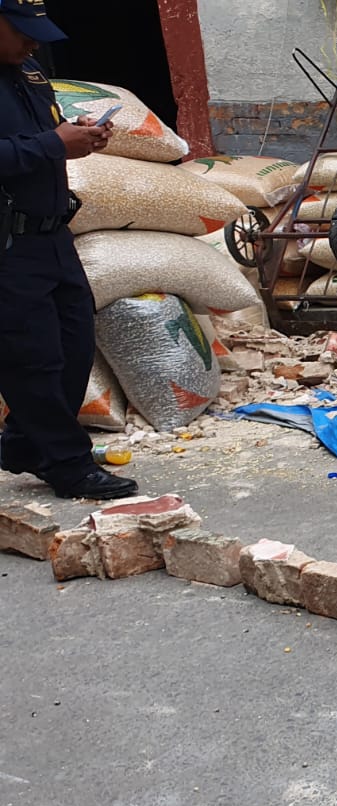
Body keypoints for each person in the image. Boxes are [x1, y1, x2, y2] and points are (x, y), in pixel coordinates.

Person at [0, 0, 137, 500]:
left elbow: (42, 136)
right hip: (8, 244)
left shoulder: (30, 71)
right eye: (21, 31)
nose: (32, 42)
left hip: (53, 233)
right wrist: (55, 145)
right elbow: (31, 148)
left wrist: (81, 135)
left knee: (74, 343)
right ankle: (69, 466)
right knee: (30, 357)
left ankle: (21, 444)